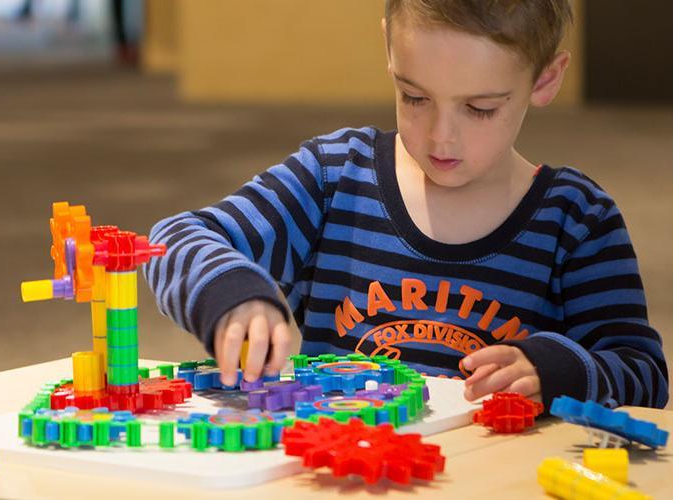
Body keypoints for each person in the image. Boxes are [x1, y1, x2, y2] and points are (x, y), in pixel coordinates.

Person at [142, 0, 668, 409]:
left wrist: (559, 371)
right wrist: (234, 294)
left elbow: (643, 375)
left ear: (545, 79)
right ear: (389, 48)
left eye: (480, 109)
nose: (442, 138)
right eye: (415, 97)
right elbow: (173, 240)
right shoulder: (334, 176)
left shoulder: (576, 221)